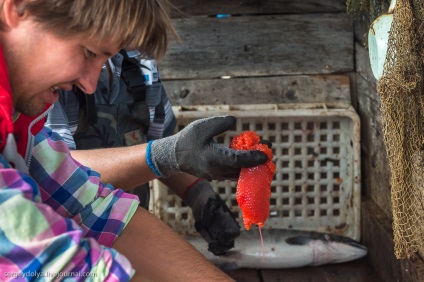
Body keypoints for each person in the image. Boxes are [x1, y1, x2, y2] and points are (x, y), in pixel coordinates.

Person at [0, 0, 269, 281]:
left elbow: (90, 204)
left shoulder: (24, 121)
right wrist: (167, 155)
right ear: (18, 9)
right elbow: (53, 267)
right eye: (88, 52)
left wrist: (199, 194)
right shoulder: (39, 91)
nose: (90, 84)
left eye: (104, 60)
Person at [45, 49, 242, 256]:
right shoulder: (57, 75)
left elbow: (158, 144)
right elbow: (57, 169)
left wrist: (201, 196)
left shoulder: (140, 63)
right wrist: (167, 155)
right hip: (74, 247)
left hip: (135, 236)